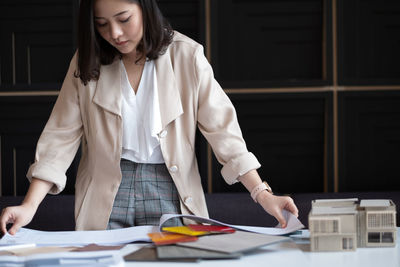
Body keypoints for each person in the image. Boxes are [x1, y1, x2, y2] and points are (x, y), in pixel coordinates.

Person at [0, 0, 298, 235]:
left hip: (169, 186)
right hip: (105, 191)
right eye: (101, 24)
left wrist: (263, 195)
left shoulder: (188, 57)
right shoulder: (86, 60)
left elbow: (225, 135)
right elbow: (59, 138)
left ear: (145, 8)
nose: (114, 33)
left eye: (123, 19)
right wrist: (29, 207)